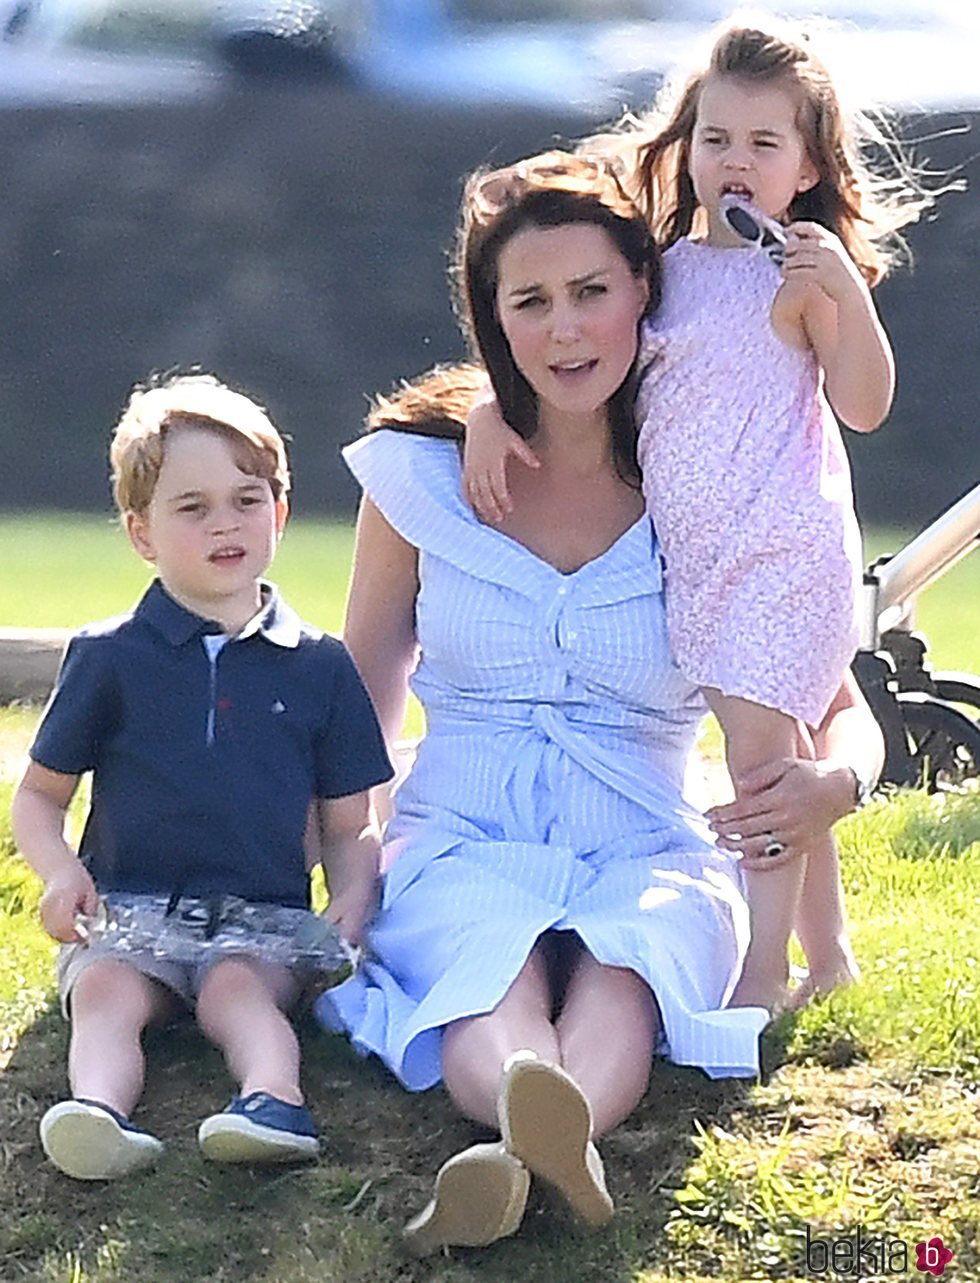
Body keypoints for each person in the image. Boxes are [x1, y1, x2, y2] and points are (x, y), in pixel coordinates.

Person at [317, 152, 779, 1256]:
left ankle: (528, 1155)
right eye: (529, 302)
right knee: (484, 963)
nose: (565, 330)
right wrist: (347, 855)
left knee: (631, 967)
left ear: (640, 292)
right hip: (463, 818)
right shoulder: (418, 475)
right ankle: (532, 1118)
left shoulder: (706, 472)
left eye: (591, 292)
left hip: (645, 827)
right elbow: (360, 692)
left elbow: (804, 671)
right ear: (491, 319)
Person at [462, 16, 924, 1007]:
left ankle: (761, 972)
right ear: (686, 144)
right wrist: (483, 407)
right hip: (697, 561)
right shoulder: (661, 266)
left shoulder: (788, 279)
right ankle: (828, 954)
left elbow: (864, 403)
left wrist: (840, 285)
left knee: (761, 767)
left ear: (804, 167)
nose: (734, 161)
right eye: (715, 137)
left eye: (763, 144)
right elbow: (573, 332)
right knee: (781, 760)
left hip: (778, 551)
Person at [11, 371, 393, 1181]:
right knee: (108, 992)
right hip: (129, 913)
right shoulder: (109, 656)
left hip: (262, 921)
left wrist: (354, 897)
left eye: (247, 500)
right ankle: (97, 1115)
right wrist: (61, 872)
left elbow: (348, 818)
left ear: (280, 512)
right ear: (141, 532)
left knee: (235, 994)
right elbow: (41, 795)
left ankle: (271, 1102)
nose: (227, 523)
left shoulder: (323, 666)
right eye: (193, 507)